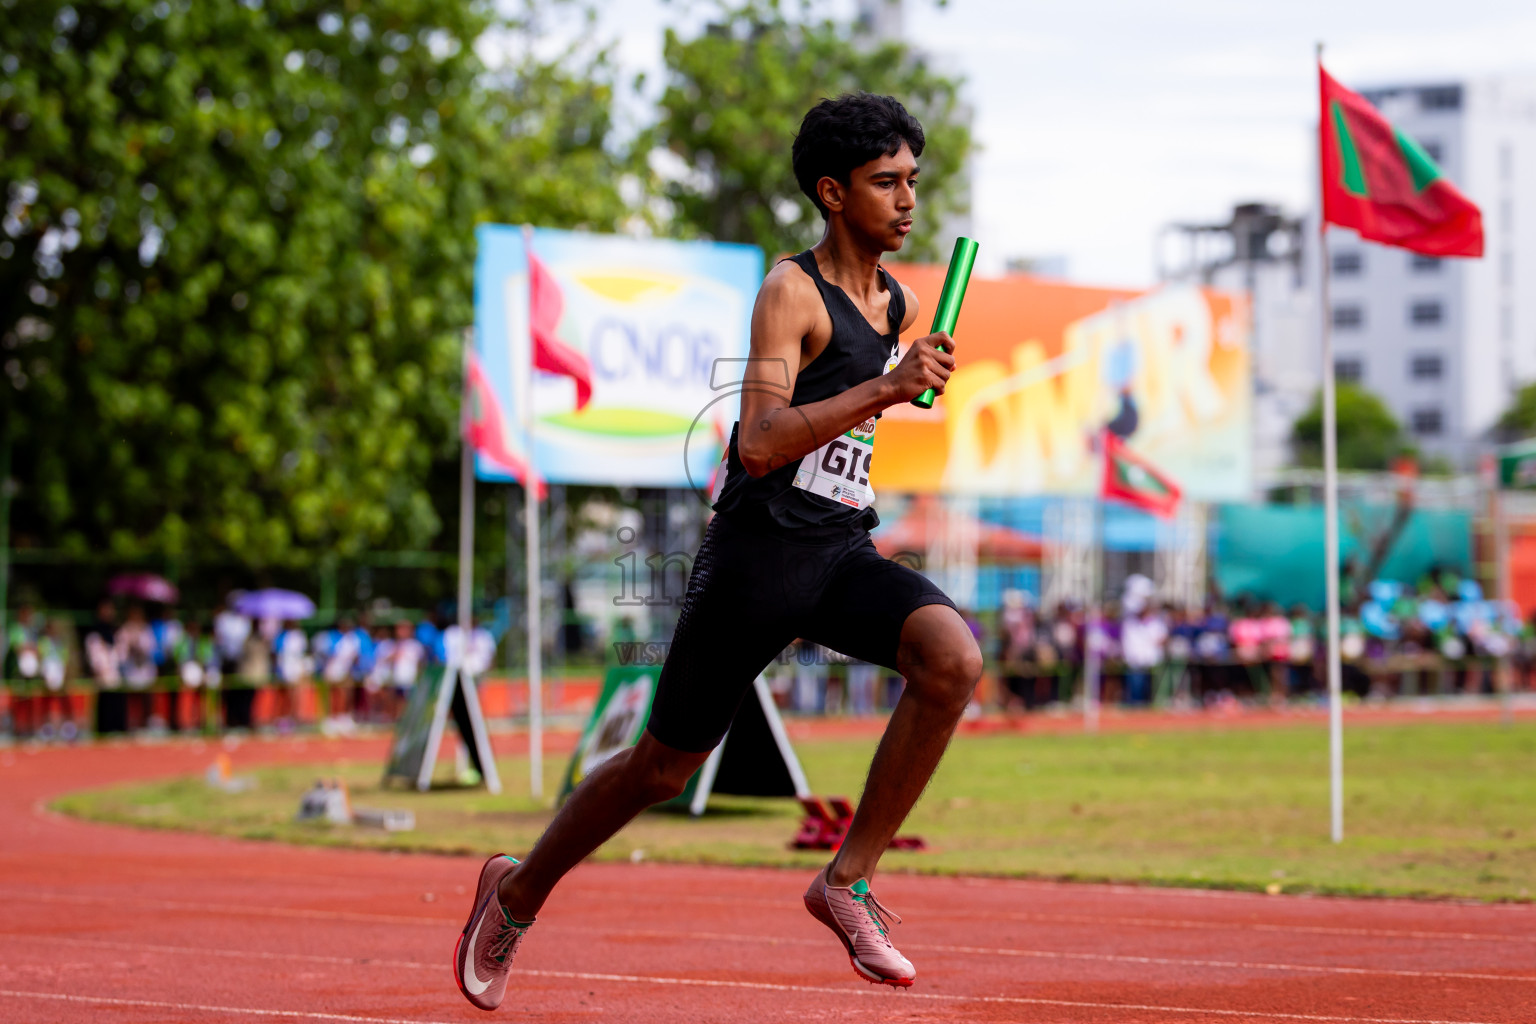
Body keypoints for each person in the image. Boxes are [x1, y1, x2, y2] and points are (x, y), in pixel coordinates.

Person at [454, 93, 982, 1009]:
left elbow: (841, 436)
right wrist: (890, 388)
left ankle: (845, 880)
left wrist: (893, 389)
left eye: (912, 182)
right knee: (662, 767)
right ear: (831, 192)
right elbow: (761, 442)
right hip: (754, 562)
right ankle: (515, 891)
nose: (907, 200)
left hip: (838, 551)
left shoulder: (891, 298)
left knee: (952, 659)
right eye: (885, 182)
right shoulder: (790, 291)